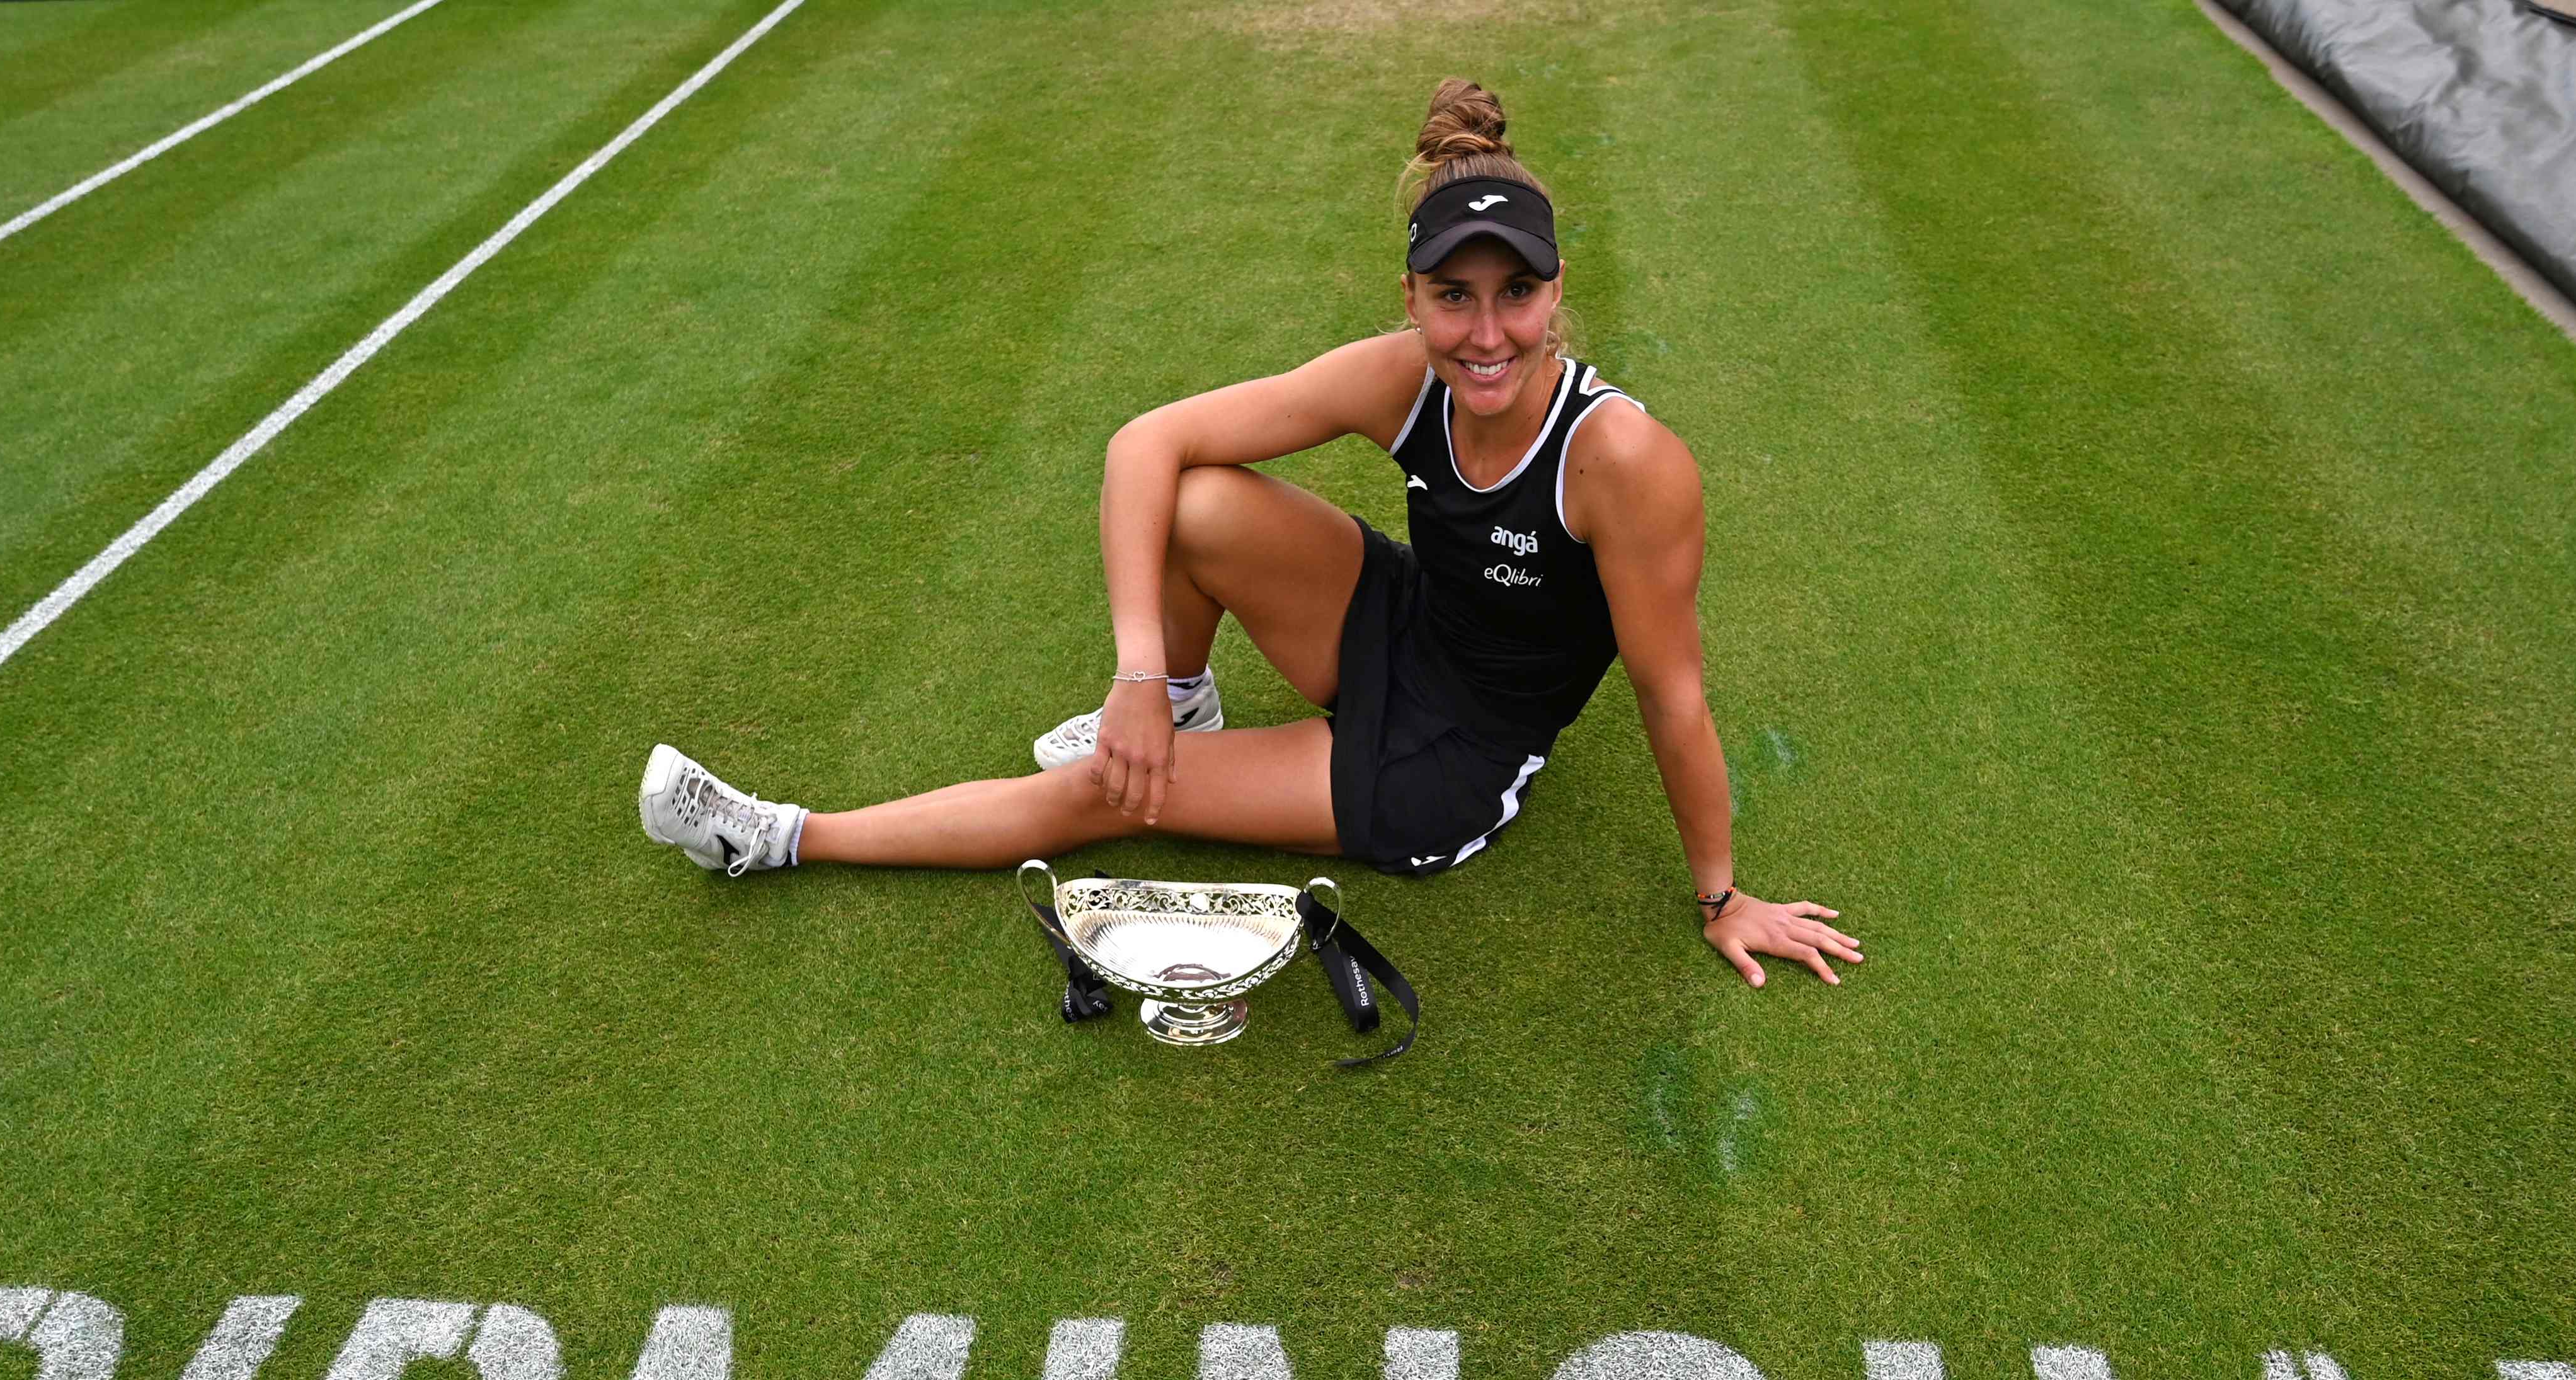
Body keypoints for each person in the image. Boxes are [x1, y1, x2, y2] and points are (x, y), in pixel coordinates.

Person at [637, 77, 1862, 989]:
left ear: (1555, 292)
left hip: (1450, 757)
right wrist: (1133, 677)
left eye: (1516, 296)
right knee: (1195, 500)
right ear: (1413, 299)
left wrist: (1722, 897)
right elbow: (1143, 444)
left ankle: (781, 839)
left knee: (1108, 797)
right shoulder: (1405, 377)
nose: (1486, 335)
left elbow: (1676, 696)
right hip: (1400, 628)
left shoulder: (1625, 465)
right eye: (1453, 298)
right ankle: (1177, 703)